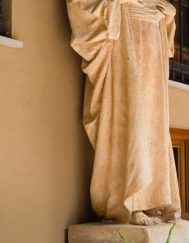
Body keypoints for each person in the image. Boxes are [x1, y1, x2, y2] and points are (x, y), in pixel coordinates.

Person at [67, 0, 181, 225]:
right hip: (124, 38)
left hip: (152, 46)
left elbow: (165, 8)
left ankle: (155, 199)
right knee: (130, 118)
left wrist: (167, 11)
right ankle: (130, 203)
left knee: (153, 124)